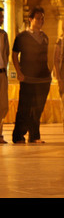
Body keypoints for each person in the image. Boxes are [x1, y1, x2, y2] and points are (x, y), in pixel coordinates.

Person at [12, 7, 52, 144]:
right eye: (38, 18)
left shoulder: (45, 37)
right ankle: (18, 136)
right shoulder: (22, 36)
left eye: (42, 18)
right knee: (24, 107)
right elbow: (14, 55)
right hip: (28, 78)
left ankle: (34, 136)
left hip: (43, 79)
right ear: (30, 19)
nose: (41, 21)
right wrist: (19, 72)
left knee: (38, 108)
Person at [0, 8, 9, 144]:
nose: (2, 19)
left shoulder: (3, 35)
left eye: (2, 17)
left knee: (2, 105)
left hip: (1, 72)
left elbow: (6, 54)